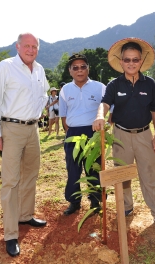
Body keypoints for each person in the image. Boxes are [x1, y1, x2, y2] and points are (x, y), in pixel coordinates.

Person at [92, 38, 155, 229]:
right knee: (122, 174)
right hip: (121, 136)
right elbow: (105, 103)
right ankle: (126, 207)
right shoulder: (114, 85)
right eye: (127, 60)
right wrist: (100, 116)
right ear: (121, 62)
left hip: (144, 135)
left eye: (135, 60)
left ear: (141, 61)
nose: (131, 63)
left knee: (150, 175)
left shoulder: (149, 84)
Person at [0, 33, 49, 257]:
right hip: (11, 128)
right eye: (27, 46)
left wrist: (37, 114)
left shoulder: (39, 70)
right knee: (11, 181)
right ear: (18, 46)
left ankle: (25, 215)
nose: (31, 50)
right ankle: (11, 234)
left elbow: (44, 94)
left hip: (32, 129)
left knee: (31, 173)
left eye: (35, 46)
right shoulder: (5, 67)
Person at [59, 53, 105, 216]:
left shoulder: (100, 87)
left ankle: (95, 201)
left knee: (93, 168)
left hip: (93, 133)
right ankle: (74, 202)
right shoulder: (65, 90)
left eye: (83, 67)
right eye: (75, 68)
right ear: (70, 71)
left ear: (88, 69)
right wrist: (69, 132)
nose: (79, 71)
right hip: (73, 134)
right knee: (73, 168)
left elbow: (107, 109)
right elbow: (63, 115)